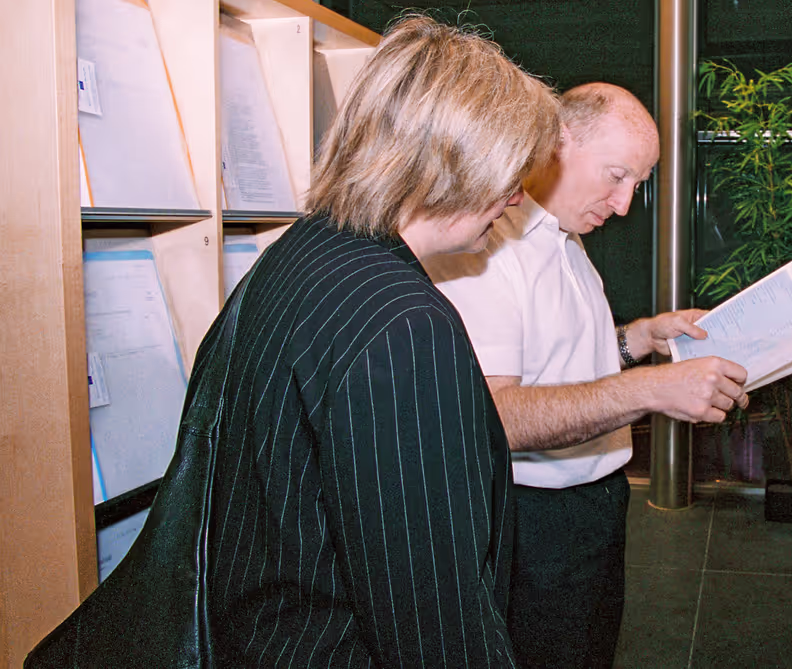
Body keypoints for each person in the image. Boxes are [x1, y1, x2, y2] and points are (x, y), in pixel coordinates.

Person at [200, 17, 560, 666]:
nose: (514, 200)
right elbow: (432, 621)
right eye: (509, 174)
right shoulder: (406, 324)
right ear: (452, 162)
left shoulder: (299, 253)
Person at [424, 82, 749, 668]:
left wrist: (643, 337)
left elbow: (569, 364)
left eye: (637, 186)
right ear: (557, 142)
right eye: (616, 175)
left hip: (595, 506)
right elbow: (496, 414)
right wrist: (651, 390)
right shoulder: (488, 245)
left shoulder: (566, 238)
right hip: (534, 522)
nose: (624, 205)